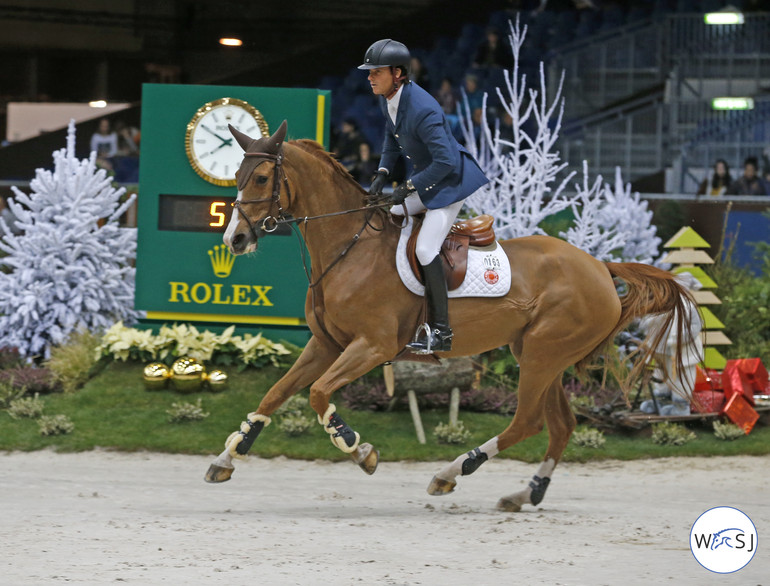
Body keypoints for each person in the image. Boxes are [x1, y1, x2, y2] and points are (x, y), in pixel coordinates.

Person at [359, 39, 490, 353]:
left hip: (449, 183)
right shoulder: (387, 97)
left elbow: (444, 161)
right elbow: (392, 140)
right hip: (428, 178)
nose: (370, 78)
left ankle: (442, 332)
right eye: (369, 72)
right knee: (390, 214)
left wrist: (408, 186)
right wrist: (383, 173)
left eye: (376, 72)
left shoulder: (423, 108)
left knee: (427, 249)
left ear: (398, 73)